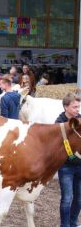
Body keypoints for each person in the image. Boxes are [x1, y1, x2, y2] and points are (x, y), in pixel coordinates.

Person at [55, 93, 81, 227]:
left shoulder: (80, 120)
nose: (78, 110)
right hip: (66, 167)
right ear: (66, 107)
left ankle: (73, 223)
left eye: (79, 107)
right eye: (75, 107)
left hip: (80, 165)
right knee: (67, 198)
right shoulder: (59, 123)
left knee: (79, 199)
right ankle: (64, 225)